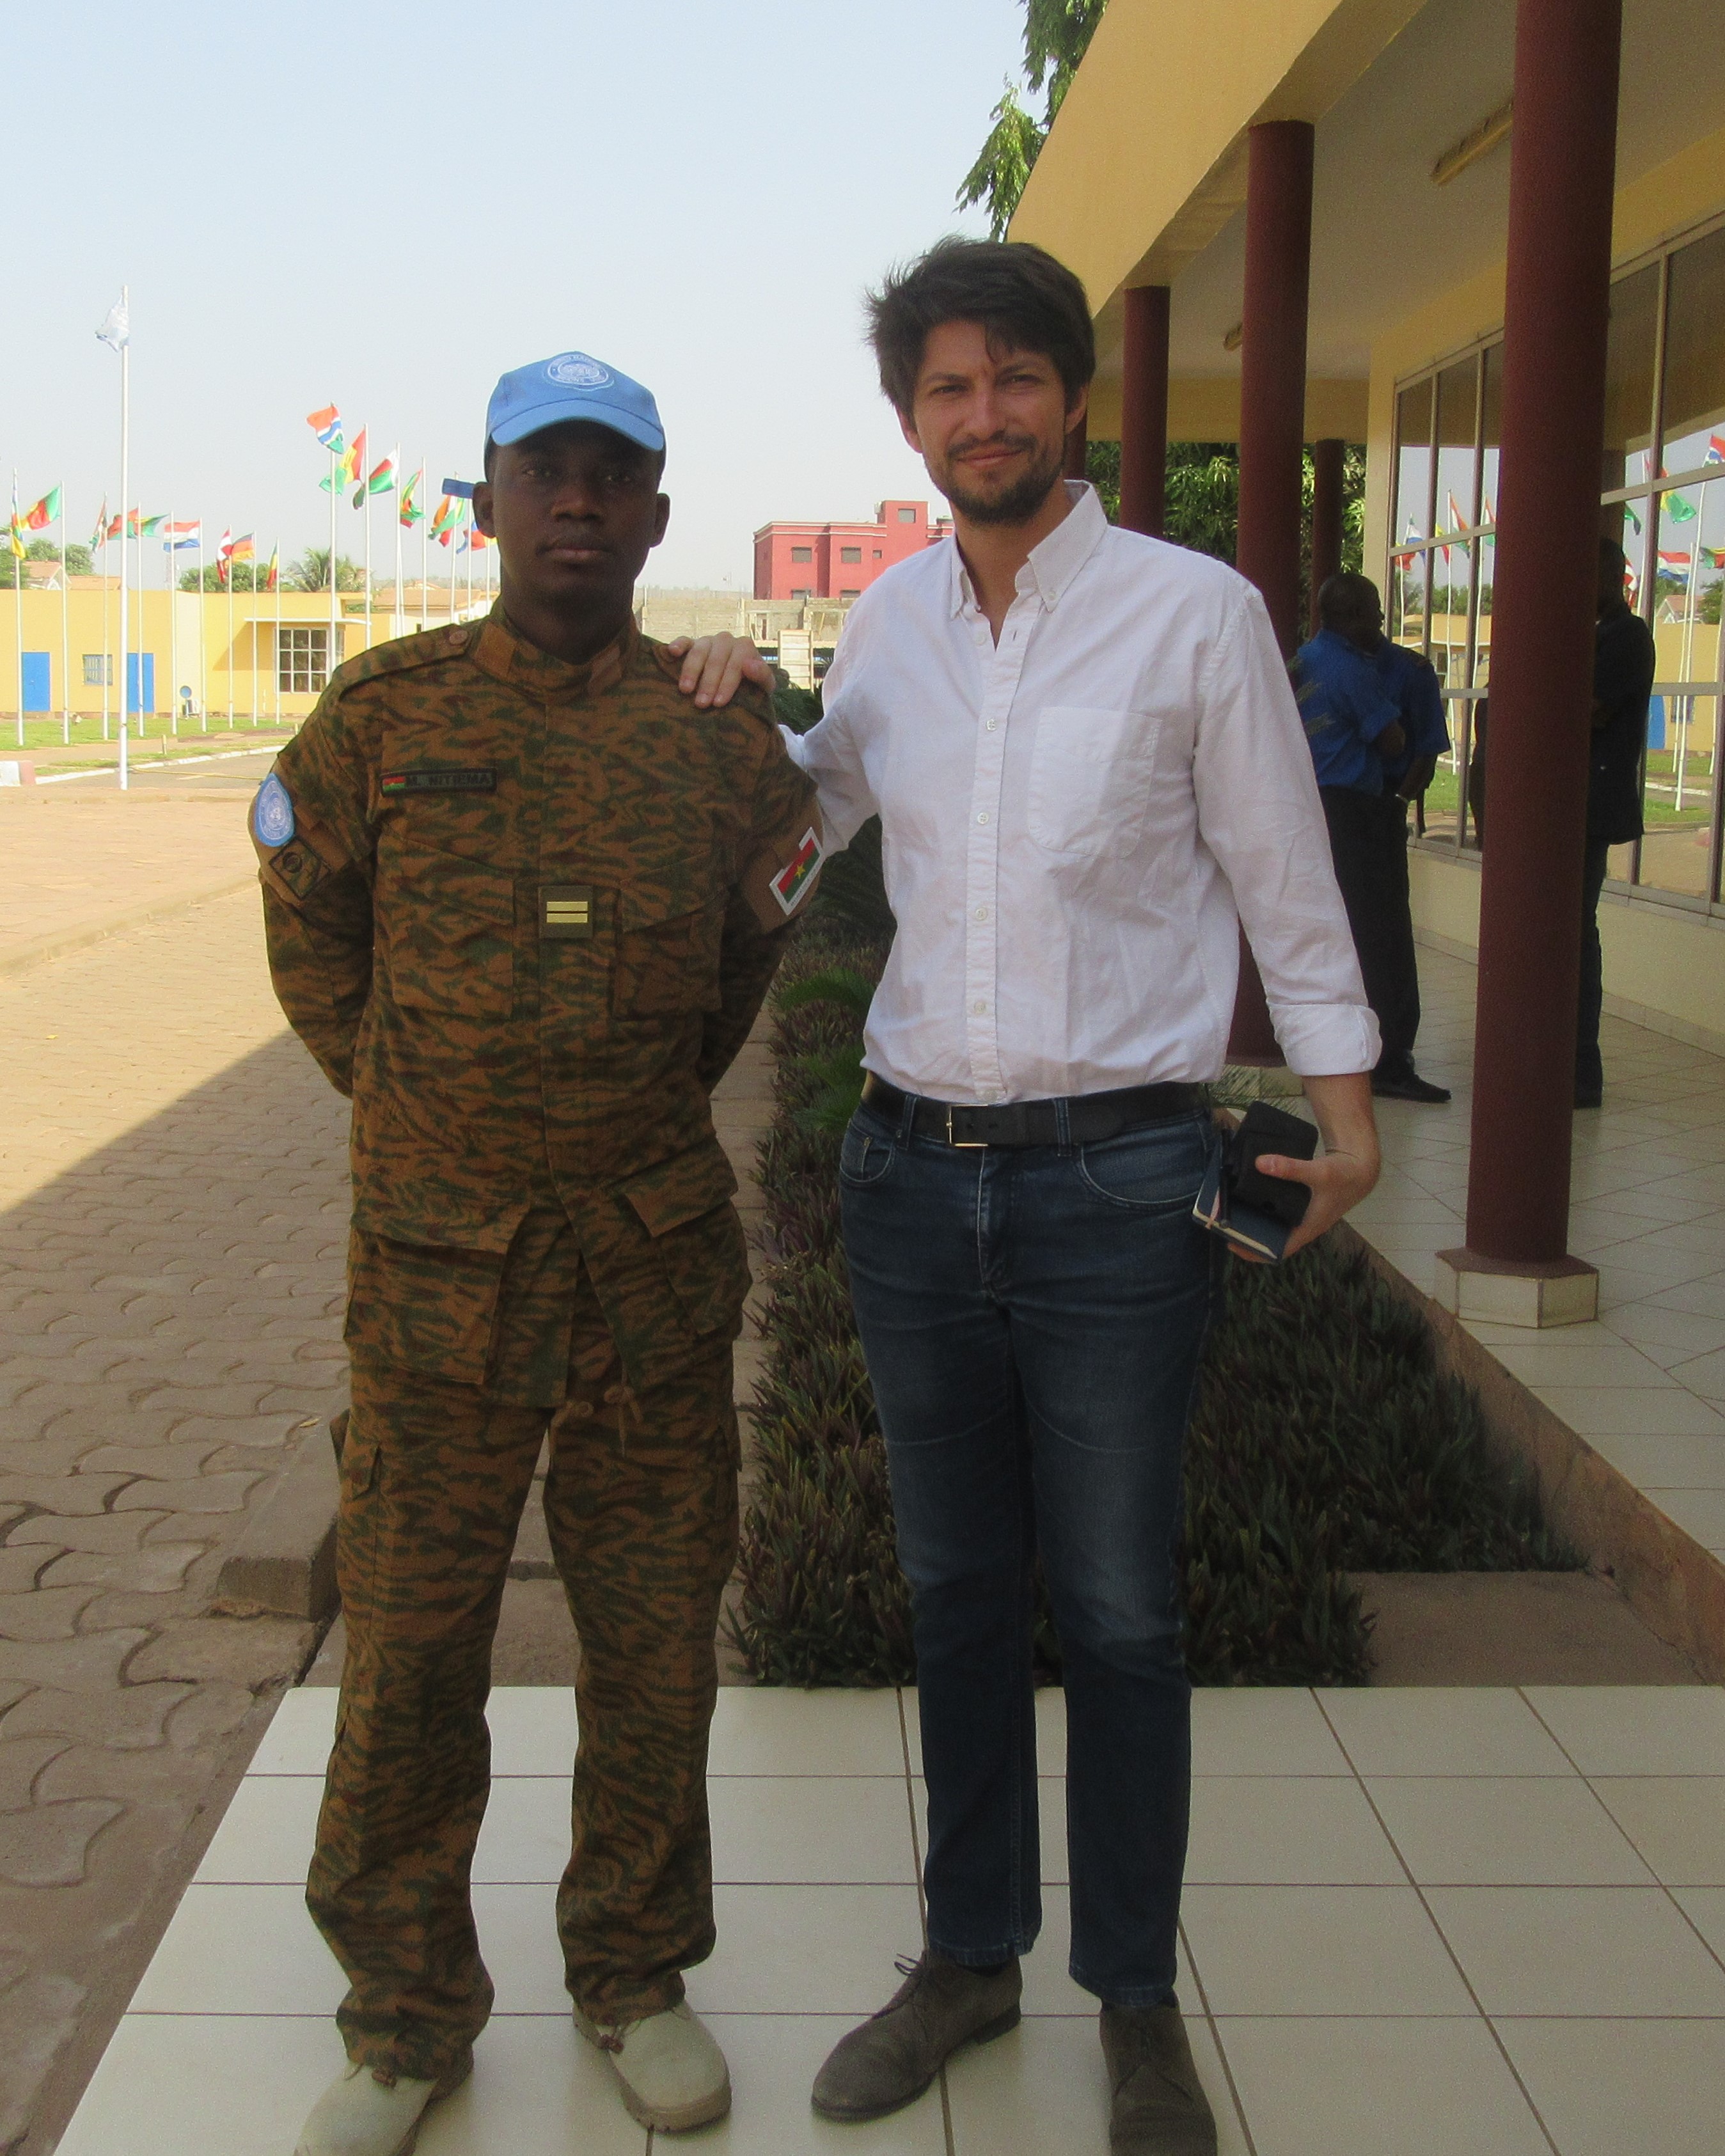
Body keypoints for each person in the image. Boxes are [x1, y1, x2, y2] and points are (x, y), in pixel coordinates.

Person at [778, 238, 1383, 2156]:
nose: (984, 415)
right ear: (911, 422)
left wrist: (1344, 1110)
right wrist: (712, 724)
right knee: (953, 1589)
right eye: (947, 388)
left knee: (1119, 1609)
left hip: (1121, 1183)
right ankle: (970, 1956)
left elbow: (1282, 872)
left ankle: (1133, 1998)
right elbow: (805, 821)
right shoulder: (887, 626)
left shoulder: (1193, 616)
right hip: (908, 1175)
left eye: (1014, 378)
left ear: (1070, 397)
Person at [254, 350, 823, 2156]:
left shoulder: (721, 739)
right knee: (409, 1657)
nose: (576, 502)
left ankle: (635, 1975)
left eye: (610, 476)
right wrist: (422, 1108)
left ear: (654, 515)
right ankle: (405, 2016)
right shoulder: (380, 718)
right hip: (438, 1282)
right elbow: (311, 936)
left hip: (648, 1277)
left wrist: (601, 1110)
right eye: (542, 472)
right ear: (486, 502)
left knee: (653, 1650)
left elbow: (741, 971)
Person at [1291, 573, 1451, 1103]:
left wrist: (1399, 799)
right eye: (1374, 609)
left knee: (1334, 935)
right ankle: (1387, 1061)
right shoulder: (1349, 669)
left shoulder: (1302, 661)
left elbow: (1423, 751)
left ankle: (1337, 1051)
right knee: (1382, 938)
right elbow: (1394, 740)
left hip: (1321, 810)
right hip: (1354, 813)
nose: (1382, 619)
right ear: (1353, 615)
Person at [1577, 534, 1653, 1106]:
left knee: (1577, 937)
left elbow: (1586, 710)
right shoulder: (1594, 634)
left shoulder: (1626, 636)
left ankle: (1581, 1072)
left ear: (1613, 577)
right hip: (1574, 806)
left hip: (1592, 805)